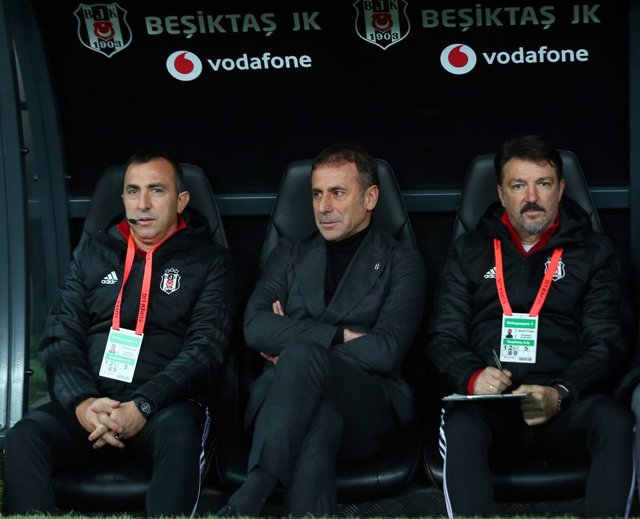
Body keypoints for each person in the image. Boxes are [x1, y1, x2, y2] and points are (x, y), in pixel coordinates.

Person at [2, 150, 235, 516]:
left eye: (156, 190)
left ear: (181, 201)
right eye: (132, 191)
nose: (142, 204)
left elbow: (206, 349)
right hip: (94, 404)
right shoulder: (92, 253)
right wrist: (83, 403)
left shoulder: (210, 261)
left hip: (165, 407)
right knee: (24, 437)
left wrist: (144, 404)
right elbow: (59, 336)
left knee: (181, 434)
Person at [425, 135, 634, 518]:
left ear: (561, 189)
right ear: (501, 194)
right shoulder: (470, 250)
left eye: (543, 184)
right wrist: (472, 377)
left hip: (566, 404)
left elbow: (607, 343)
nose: (532, 198)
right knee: (460, 424)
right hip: (491, 406)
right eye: (519, 185)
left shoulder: (593, 251)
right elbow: (443, 336)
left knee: (616, 420)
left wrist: (561, 391)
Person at [218, 143, 426, 517]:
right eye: (317, 194)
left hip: (367, 407)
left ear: (370, 198)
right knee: (320, 419)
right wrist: (339, 336)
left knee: (301, 354)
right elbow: (255, 327)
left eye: (338, 193)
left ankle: (254, 490)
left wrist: (293, 345)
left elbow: (385, 351)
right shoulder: (290, 252)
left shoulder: (401, 261)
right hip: (282, 403)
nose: (324, 207)